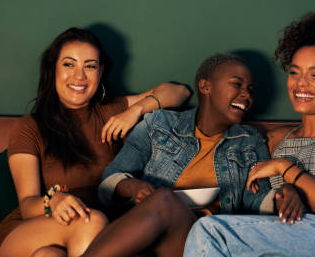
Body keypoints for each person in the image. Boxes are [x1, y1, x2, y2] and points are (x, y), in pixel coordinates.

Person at [0, 27, 190, 257]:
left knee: (48, 255)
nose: (79, 76)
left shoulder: (111, 111)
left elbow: (179, 92)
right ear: (53, 69)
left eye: (90, 66)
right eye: (69, 64)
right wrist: (54, 199)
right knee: (90, 221)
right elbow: (28, 206)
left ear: (100, 72)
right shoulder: (30, 127)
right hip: (25, 233)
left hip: (84, 235)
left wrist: (137, 110)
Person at [184, 13, 315, 257]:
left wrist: (282, 167)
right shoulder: (275, 139)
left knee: (211, 232)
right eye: (295, 72)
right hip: (287, 240)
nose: (301, 84)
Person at [81, 54, 303, 257]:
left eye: (250, 90)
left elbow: (256, 199)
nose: (246, 95)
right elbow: (109, 181)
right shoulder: (158, 124)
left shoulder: (249, 141)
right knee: (162, 200)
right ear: (206, 86)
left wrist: (283, 195)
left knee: (164, 199)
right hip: (150, 241)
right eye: (237, 84)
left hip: (207, 245)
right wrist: (133, 187)